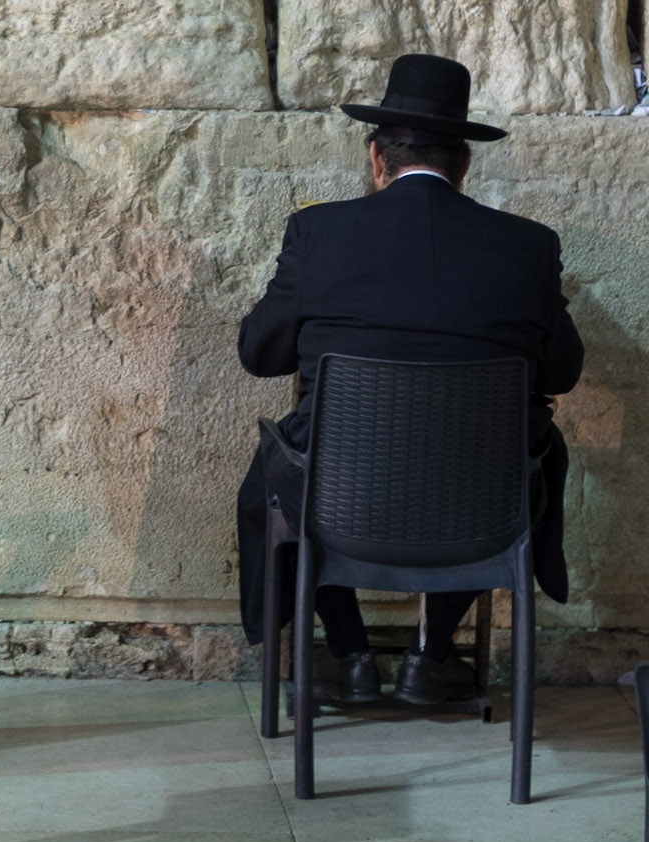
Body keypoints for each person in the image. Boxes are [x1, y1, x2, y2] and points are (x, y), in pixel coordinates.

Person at [235, 52, 583, 708]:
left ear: (376, 159)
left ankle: (350, 654)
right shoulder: (528, 246)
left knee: (287, 485)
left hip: (338, 496)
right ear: (465, 164)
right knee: (517, 473)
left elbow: (260, 353)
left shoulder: (318, 233)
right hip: (479, 503)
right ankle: (432, 651)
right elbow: (562, 370)